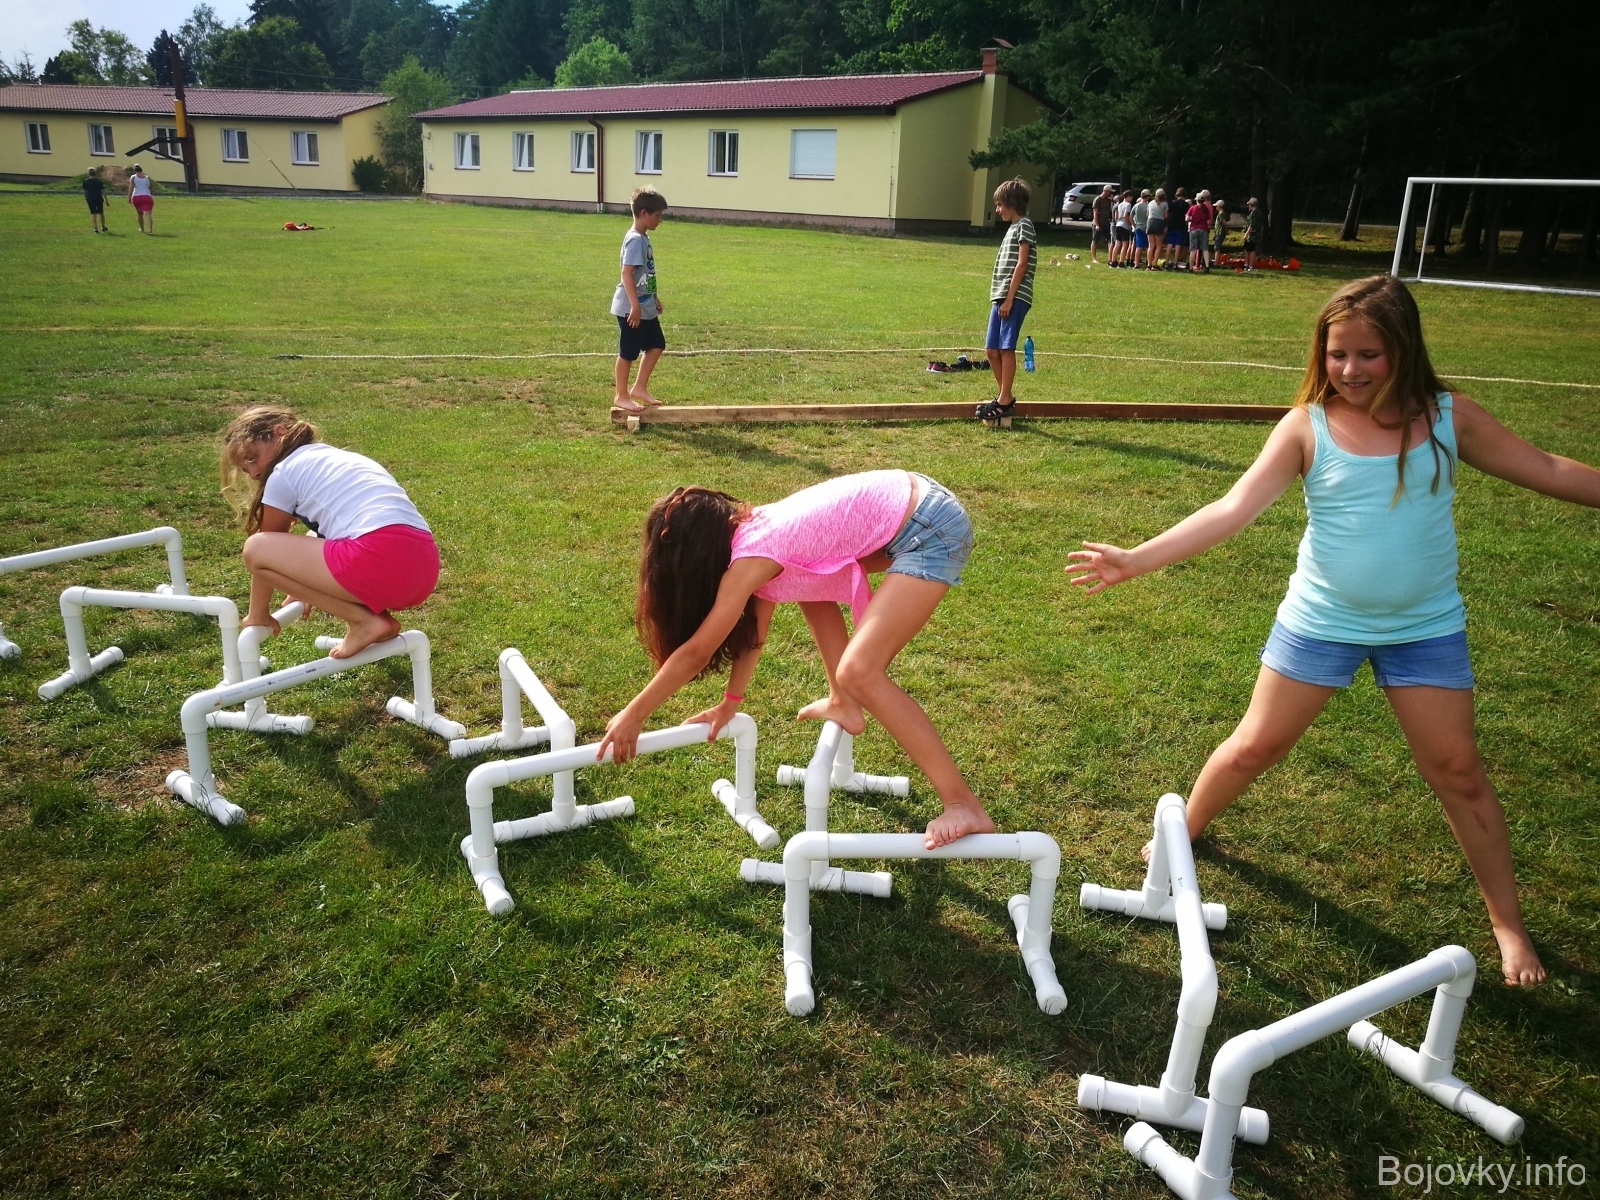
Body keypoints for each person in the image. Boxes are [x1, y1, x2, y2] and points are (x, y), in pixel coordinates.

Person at [1066, 274, 1600, 987]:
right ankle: (1185, 828)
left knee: (1459, 772)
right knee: (1256, 745)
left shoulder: (1450, 418)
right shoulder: (1306, 427)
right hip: (1321, 621)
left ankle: (1508, 923)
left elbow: (1546, 467)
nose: (1350, 369)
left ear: (1403, 349)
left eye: (1368, 354)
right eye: (1337, 353)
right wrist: (1137, 558)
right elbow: (1232, 508)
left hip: (1424, 628)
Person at [599, 472, 992, 849]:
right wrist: (730, 704)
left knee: (860, 671)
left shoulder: (750, 559)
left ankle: (962, 804)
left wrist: (635, 714)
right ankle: (843, 702)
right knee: (808, 585)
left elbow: (696, 653)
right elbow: (754, 636)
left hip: (929, 525)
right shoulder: (757, 539)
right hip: (921, 504)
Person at [219, 406, 441, 659]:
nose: (254, 473)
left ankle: (364, 621)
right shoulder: (335, 458)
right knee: (313, 537)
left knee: (255, 548)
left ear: (279, 432)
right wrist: (304, 584)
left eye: (252, 458)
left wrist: (257, 614)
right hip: (424, 569)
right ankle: (372, 621)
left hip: (379, 561)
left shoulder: (282, 473)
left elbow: (264, 550)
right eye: (246, 469)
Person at [975, 177, 1036, 424]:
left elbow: (1022, 264)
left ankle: (1003, 401)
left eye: (1000, 204)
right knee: (991, 350)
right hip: (1000, 295)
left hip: (1014, 295)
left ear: (1012, 203)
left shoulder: (1025, 225)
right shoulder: (1012, 227)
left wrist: (1010, 299)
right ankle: (1005, 398)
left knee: (1005, 348)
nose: (997, 209)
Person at [611, 187, 668, 413]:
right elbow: (626, 274)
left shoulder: (644, 238)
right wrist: (634, 306)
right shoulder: (635, 240)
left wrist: (654, 297)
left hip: (646, 306)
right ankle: (621, 395)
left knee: (656, 345)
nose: (660, 220)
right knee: (628, 352)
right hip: (631, 310)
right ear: (644, 214)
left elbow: (645, 273)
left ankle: (639, 388)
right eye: (657, 215)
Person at [1188, 189, 1214, 273]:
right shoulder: (1206, 209)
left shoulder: (1192, 208)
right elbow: (1209, 221)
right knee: (1205, 249)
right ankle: (1207, 266)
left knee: (1193, 249)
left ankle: (1191, 268)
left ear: (1197, 200)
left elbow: (1187, 219)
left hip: (1194, 229)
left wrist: (1192, 219)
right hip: (1204, 229)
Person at [1089, 184, 1114, 266]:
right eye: (1109, 192)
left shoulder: (1108, 200)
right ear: (1106, 191)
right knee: (1095, 240)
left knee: (1110, 240)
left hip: (1106, 223)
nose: (1110, 193)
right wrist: (1097, 224)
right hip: (1098, 223)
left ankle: (1110, 258)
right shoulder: (1097, 199)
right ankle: (1094, 258)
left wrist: (1112, 200)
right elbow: (1095, 213)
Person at [1166, 187, 1190, 270]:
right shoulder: (1186, 204)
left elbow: (1168, 214)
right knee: (1178, 245)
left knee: (1169, 245)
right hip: (1181, 226)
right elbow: (1187, 216)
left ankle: (1166, 263)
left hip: (1172, 226)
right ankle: (1175, 264)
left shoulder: (1172, 203)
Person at [1146, 188, 1169, 270]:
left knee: (1151, 246)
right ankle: (1155, 264)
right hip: (1159, 223)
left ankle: (1149, 264)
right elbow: (1166, 216)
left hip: (1150, 222)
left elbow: (1147, 214)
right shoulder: (1165, 204)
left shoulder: (1150, 203)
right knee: (1159, 245)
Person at [127, 164, 154, 235]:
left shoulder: (133, 177)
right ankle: (150, 230)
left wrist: (129, 197)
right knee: (148, 214)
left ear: (135, 170)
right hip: (147, 196)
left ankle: (142, 229)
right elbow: (150, 188)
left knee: (139, 214)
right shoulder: (147, 178)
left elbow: (131, 187)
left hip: (137, 196)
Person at [1112, 190, 1134, 267]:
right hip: (1124, 225)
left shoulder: (1120, 204)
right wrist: (1129, 225)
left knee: (1117, 244)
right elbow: (1125, 216)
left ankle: (1113, 261)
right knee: (1125, 245)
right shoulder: (1128, 205)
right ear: (1128, 197)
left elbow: (1118, 216)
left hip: (1118, 224)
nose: (1131, 199)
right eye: (1131, 197)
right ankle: (1121, 262)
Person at [83, 167, 107, 233]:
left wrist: (86, 198)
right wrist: (106, 200)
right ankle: (103, 226)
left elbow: (85, 191)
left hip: (90, 199)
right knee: (101, 213)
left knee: (93, 213)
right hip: (98, 199)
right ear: (95, 173)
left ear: (88, 173)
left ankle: (95, 228)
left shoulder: (85, 182)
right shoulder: (99, 182)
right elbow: (103, 191)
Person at [1243, 197, 1264, 271]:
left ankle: (1249, 265)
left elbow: (1251, 225)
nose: (1248, 206)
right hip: (1257, 234)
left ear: (1251, 205)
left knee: (1251, 249)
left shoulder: (1253, 214)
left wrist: (1246, 234)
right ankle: (1247, 265)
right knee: (1248, 248)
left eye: (1249, 204)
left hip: (1252, 235)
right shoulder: (1259, 213)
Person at [1132, 189, 1152, 269]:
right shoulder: (1148, 206)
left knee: (1138, 246)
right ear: (1148, 196)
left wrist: (1134, 225)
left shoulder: (1136, 205)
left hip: (1138, 228)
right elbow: (1148, 216)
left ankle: (1136, 264)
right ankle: (1148, 263)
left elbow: (1130, 216)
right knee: (1148, 246)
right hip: (1146, 228)